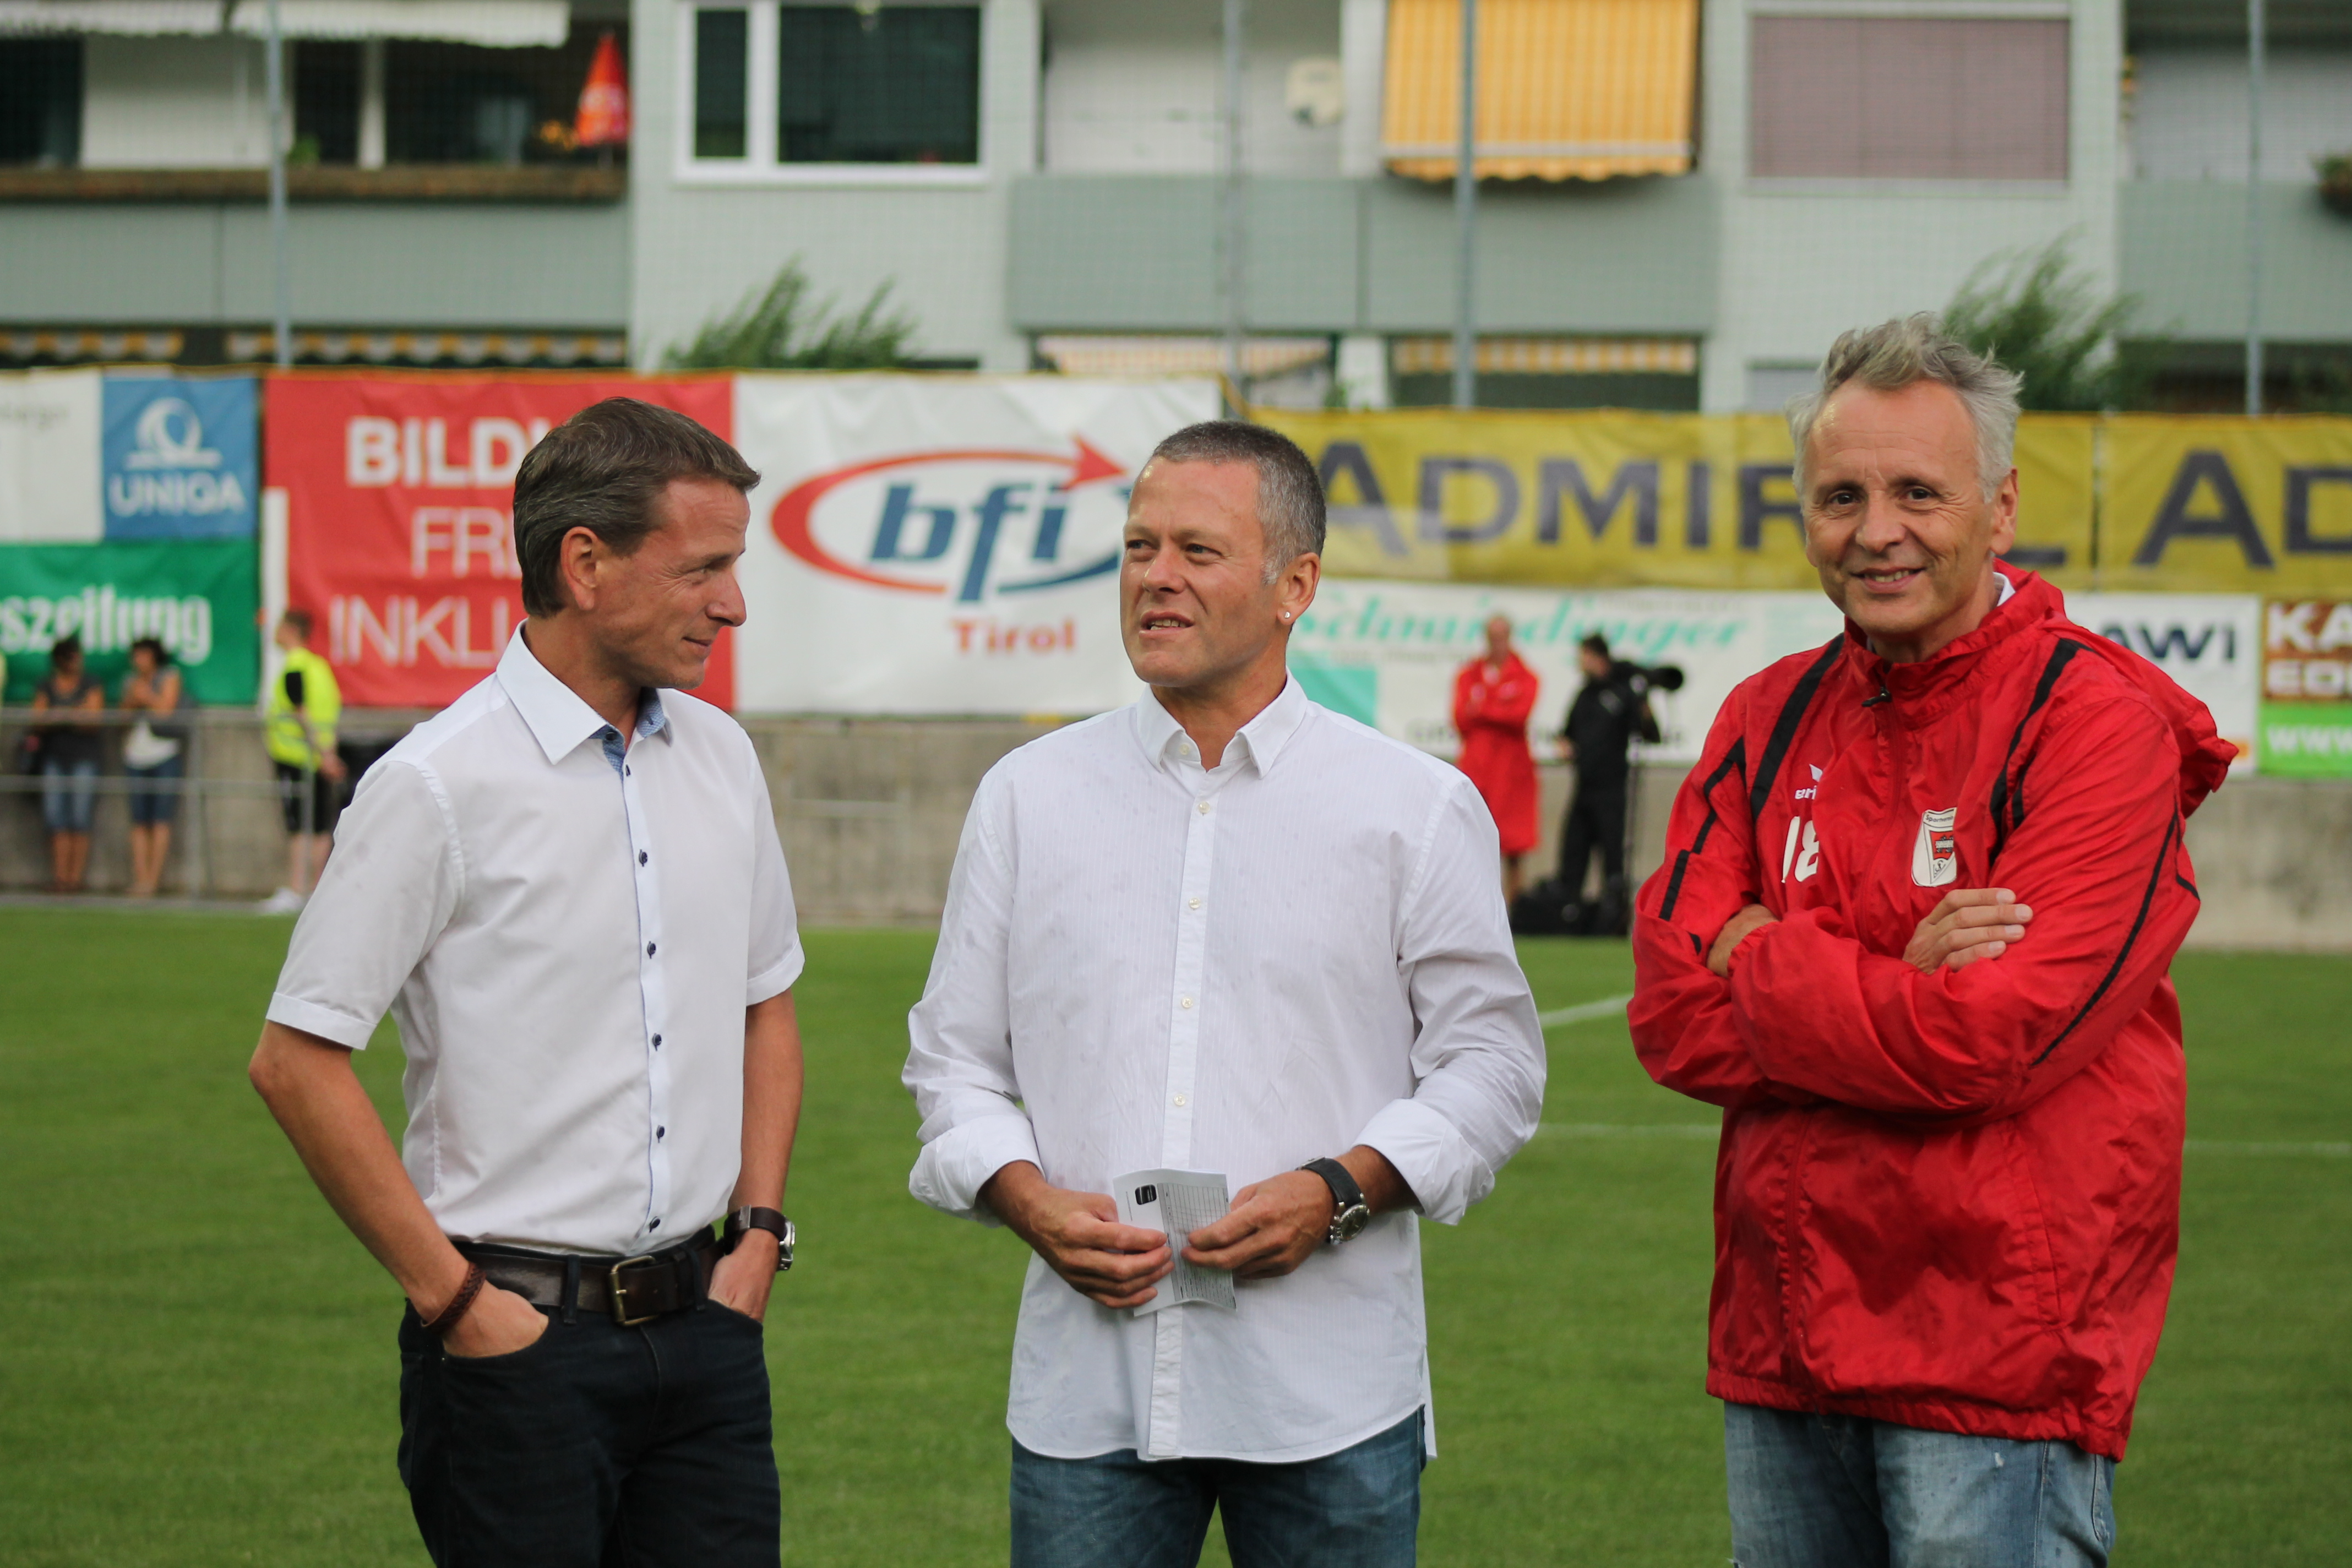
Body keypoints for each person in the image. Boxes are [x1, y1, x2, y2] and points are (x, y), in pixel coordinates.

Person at [1627, 317, 2234, 1568]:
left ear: (1999, 508)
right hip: (1781, 1326)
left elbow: (1986, 1042)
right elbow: (1667, 1010)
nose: (1876, 527)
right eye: (1840, 494)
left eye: (1917, 490)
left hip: (1998, 1353)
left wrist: (1767, 951)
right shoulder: (1765, 712)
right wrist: (1898, 970)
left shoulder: (2095, 721)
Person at [903, 420, 1545, 1568]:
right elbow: (953, 1062)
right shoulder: (1027, 796)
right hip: (1086, 1398)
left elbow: (1493, 1069)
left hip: (1327, 1395)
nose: (1156, 575)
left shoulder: (1414, 805)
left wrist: (1338, 1191)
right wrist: (1027, 1199)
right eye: (1140, 545)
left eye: (1198, 549)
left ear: (1294, 583)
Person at [248, 399, 807, 1568]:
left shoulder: (725, 757)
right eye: (704, 567)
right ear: (586, 563)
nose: (734, 603)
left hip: (710, 1332)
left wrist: (755, 1236)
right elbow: (295, 1060)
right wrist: (458, 1304)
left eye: (736, 566)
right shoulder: (435, 785)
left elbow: (767, 1002)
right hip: (512, 1349)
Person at [1555, 632, 1658, 930]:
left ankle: (1612, 917)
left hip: (1612, 789)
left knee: (1613, 854)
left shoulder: (1623, 692)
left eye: (1584, 655)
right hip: (1583, 786)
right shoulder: (1585, 693)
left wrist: (1644, 701)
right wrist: (1566, 746)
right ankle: (1570, 914)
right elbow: (1568, 731)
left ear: (1597, 656)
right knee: (1574, 850)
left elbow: (1651, 734)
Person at [260, 607, 345, 913]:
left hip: (297, 757)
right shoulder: (319, 667)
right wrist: (329, 753)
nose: (275, 633)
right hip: (319, 756)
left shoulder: (295, 666)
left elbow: (301, 711)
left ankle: (297, 890)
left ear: (291, 631)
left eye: (280, 627)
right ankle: (316, 890)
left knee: (299, 826)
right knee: (321, 824)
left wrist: (322, 755)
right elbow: (328, 713)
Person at [1451, 614, 1539, 902]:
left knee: (1514, 845)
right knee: (1471, 842)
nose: (1497, 643)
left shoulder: (1526, 676)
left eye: (1502, 637)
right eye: (1492, 637)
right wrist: (1499, 706)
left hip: (1512, 770)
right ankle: (1472, 908)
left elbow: (1519, 715)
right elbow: (1461, 718)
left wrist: (1484, 709)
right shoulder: (1469, 674)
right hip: (1477, 767)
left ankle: (1514, 912)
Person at [29, 634, 105, 894]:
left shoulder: (90, 682)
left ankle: (75, 879)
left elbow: (92, 720)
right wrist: (74, 713)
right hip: (54, 759)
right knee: (56, 819)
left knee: (80, 818)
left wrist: (59, 715)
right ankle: (60, 878)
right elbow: (38, 720)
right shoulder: (47, 684)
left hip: (84, 758)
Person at [120, 636, 188, 897]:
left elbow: (165, 711)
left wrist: (145, 696)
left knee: (161, 819)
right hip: (136, 754)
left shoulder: (169, 676)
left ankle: (153, 879)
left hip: (164, 754)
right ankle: (140, 878)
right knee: (139, 820)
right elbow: (122, 717)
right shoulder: (130, 681)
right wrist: (131, 699)